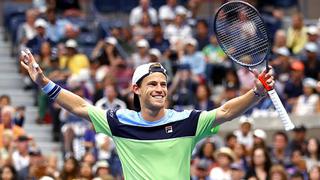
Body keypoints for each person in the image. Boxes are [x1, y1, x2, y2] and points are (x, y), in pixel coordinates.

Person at [20, 49, 275, 179]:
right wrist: (44, 83)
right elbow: (80, 107)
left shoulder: (187, 122)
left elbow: (226, 111)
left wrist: (256, 93)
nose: (160, 89)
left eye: (163, 84)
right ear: (136, 89)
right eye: (152, 84)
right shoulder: (120, 122)